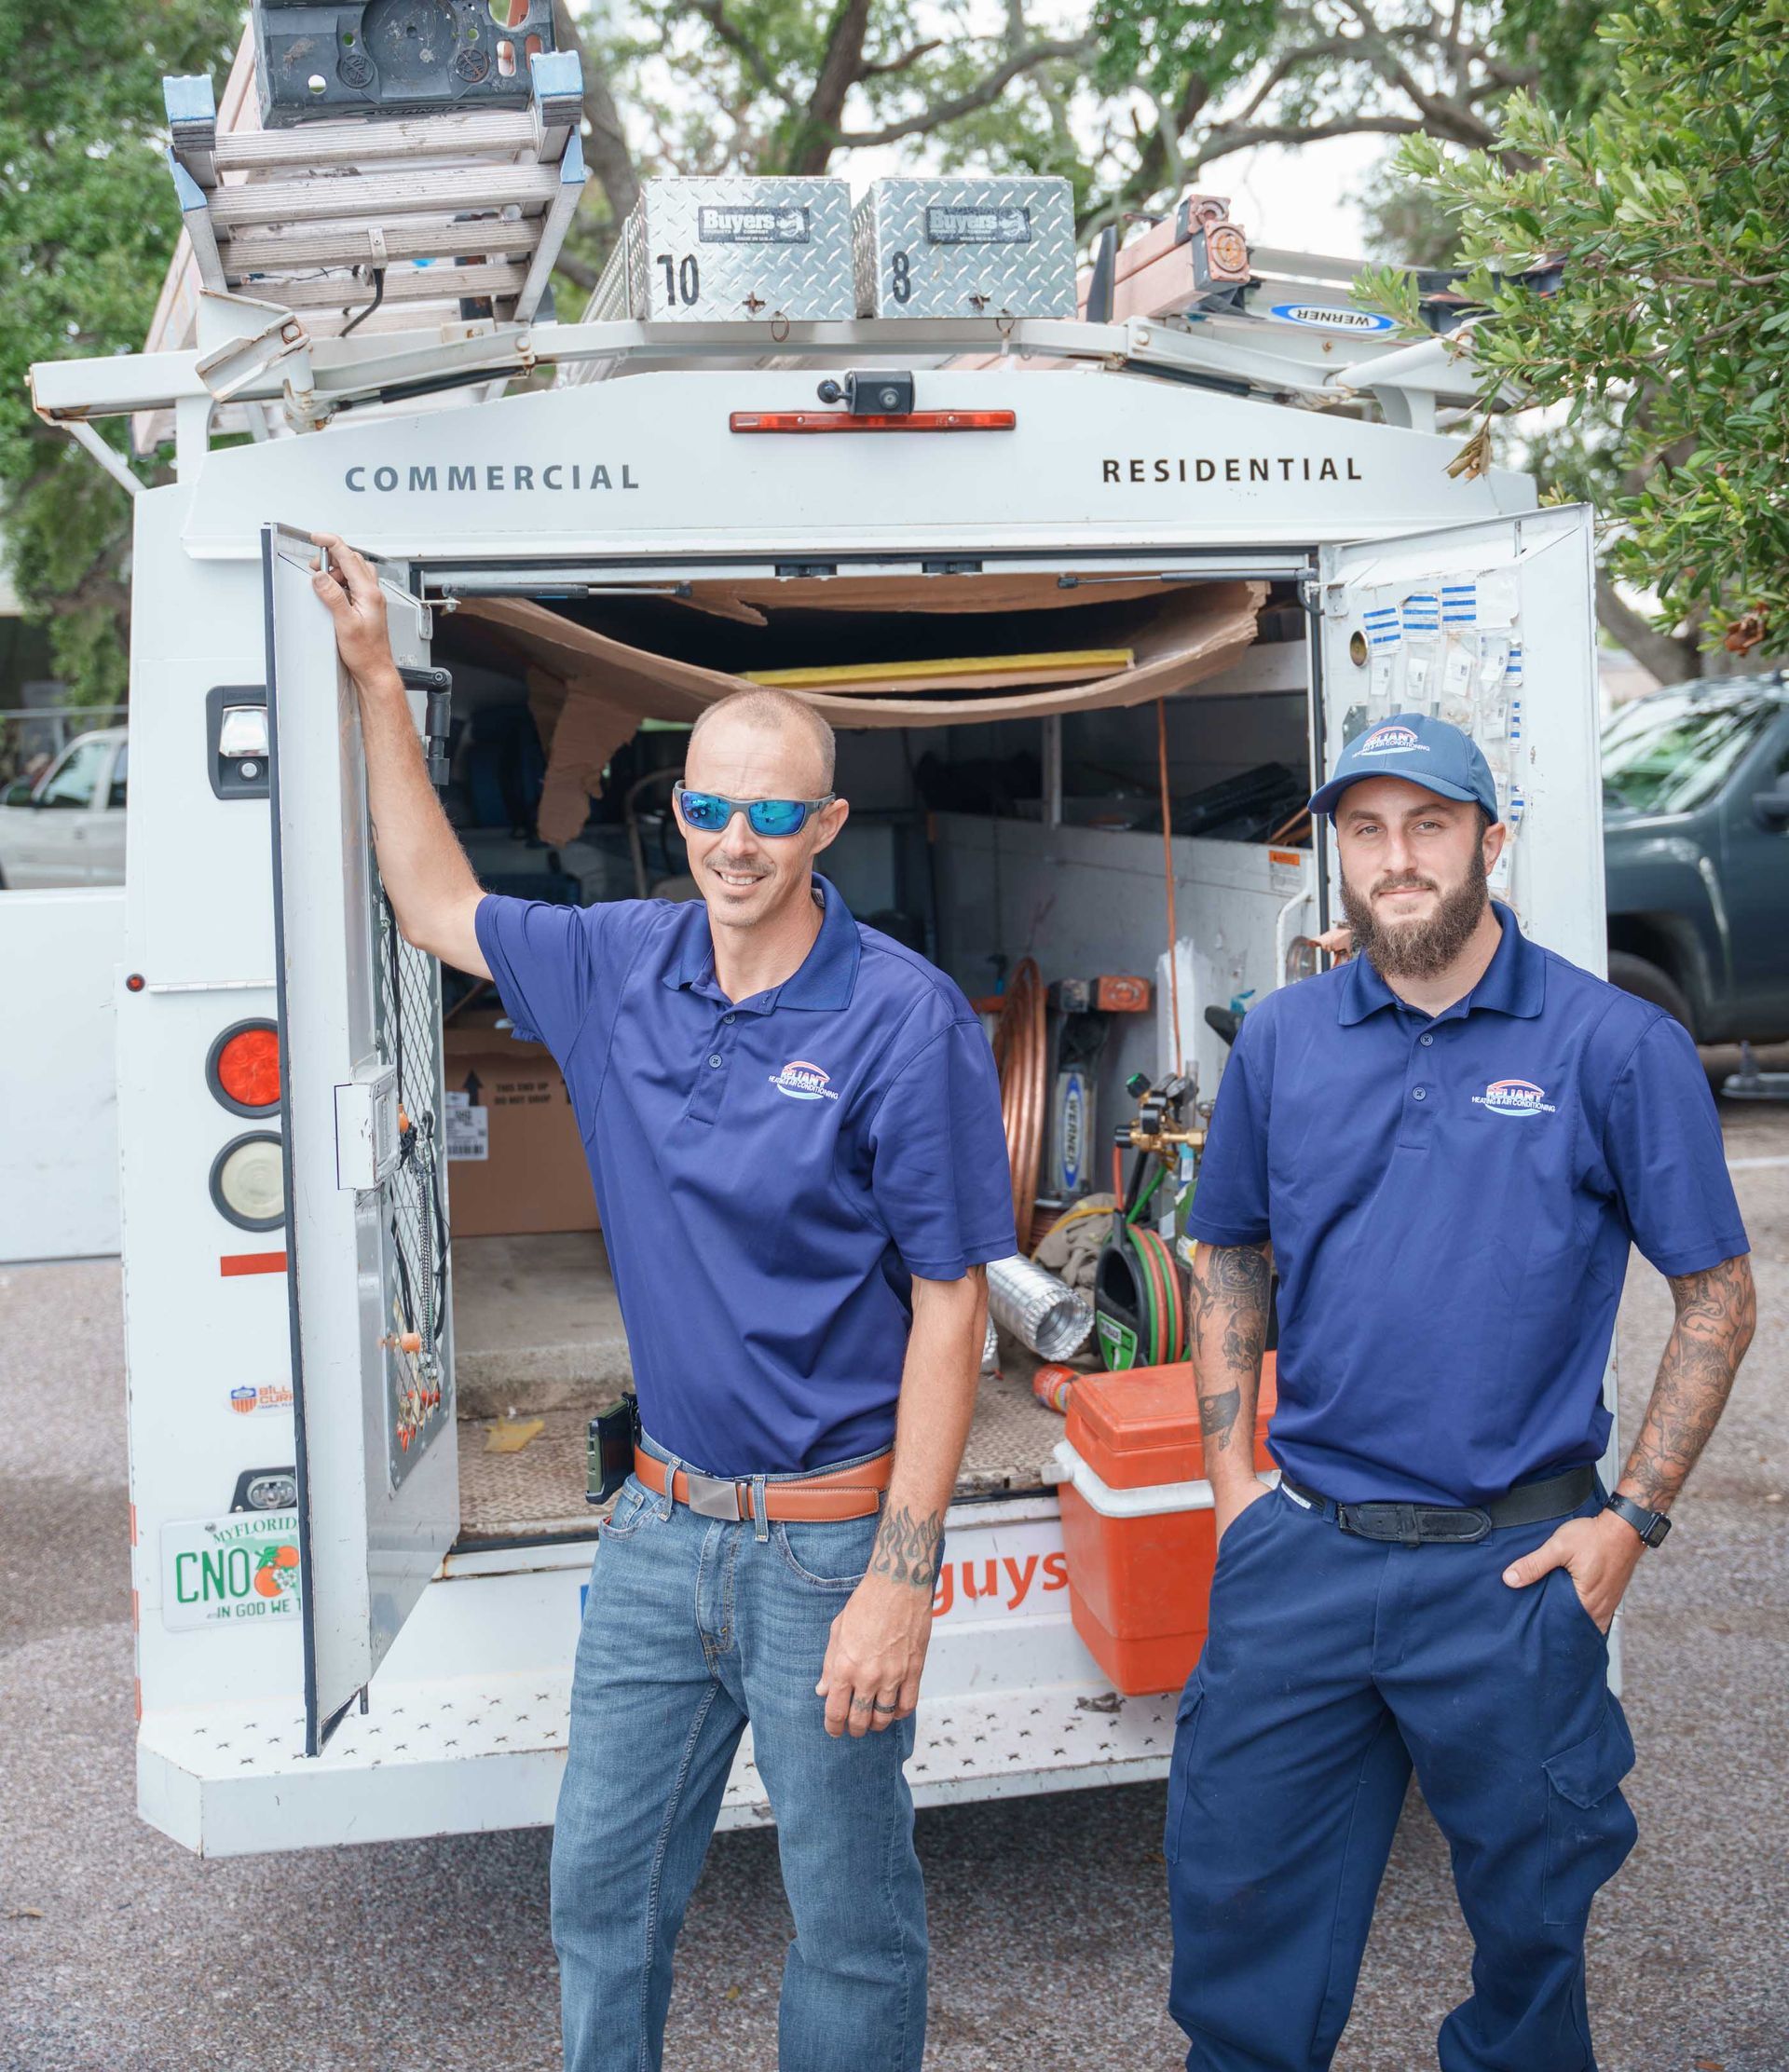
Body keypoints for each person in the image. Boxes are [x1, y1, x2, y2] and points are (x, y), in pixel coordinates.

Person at [309, 534, 1017, 2072]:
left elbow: (953, 1306)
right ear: (674, 807)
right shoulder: (619, 963)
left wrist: (907, 1572)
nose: (736, 841)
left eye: (773, 813)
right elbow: (434, 901)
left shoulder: (903, 1023)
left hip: (830, 1544)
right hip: (658, 1529)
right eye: (708, 806)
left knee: (847, 1919)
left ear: (826, 823)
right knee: (601, 1894)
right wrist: (376, 678)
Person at [1168, 712, 1755, 2072]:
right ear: (1339, 857)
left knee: (1530, 1955)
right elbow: (1228, 1251)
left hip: (1513, 1571)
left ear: (1490, 842)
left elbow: (1718, 1296)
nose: (1398, 858)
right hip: (1302, 1555)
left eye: (1429, 825)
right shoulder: (1285, 1040)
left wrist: (1633, 1523)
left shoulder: (1615, 1047)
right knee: (1238, 1934)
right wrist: (1231, 1489)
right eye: (1365, 830)